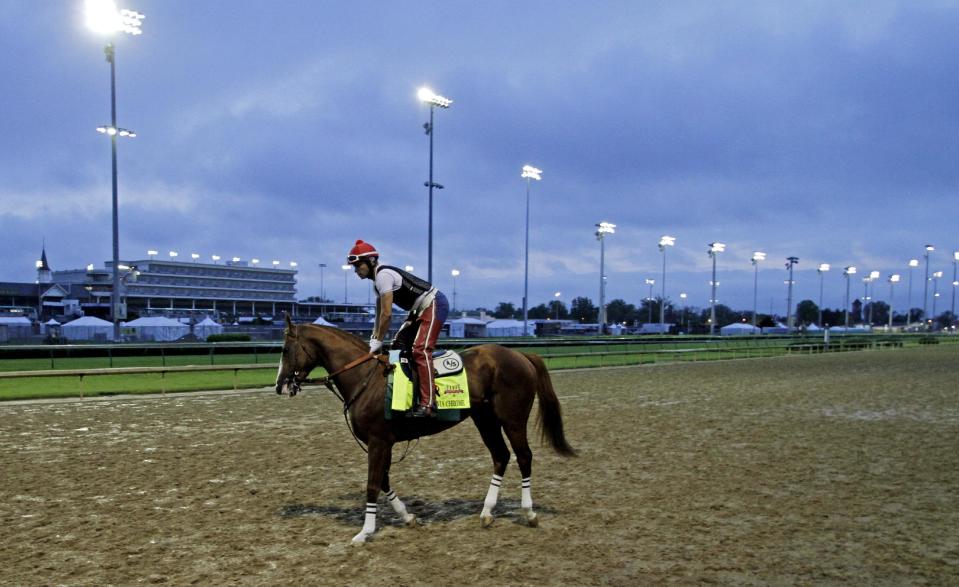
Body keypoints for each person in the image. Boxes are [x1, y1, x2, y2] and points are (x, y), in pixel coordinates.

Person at [347, 240, 449, 418]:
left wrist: (378, 340)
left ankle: (429, 404)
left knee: (420, 349)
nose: (356, 270)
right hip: (418, 310)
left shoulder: (383, 276)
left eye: (358, 266)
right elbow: (379, 316)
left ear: (371, 261)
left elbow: (387, 315)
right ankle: (405, 396)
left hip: (434, 304)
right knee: (396, 347)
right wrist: (374, 338)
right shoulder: (376, 283)